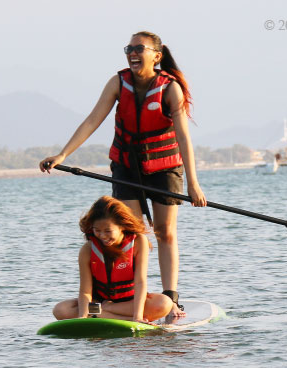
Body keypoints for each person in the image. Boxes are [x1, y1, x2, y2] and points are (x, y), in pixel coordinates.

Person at [40, 31, 206, 317]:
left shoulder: (170, 88)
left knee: (165, 232)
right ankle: (124, 304)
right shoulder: (118, 82)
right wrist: (62, 155)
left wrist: (193, 183)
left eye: (139, 48)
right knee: (130, 233)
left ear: (157, 54)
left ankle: (171, 299)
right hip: (126, 166)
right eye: (128, 48)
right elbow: (93, 119)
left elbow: (183, 137)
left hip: (164, 167)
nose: (132, 52)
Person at [52, 196, 172, 322]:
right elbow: (85, 291)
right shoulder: (87, 250)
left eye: (108, 231)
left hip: (128, 303)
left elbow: (140, 282)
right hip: (98, 302)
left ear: (122, 226)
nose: (102, 236)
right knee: (61, 310)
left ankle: (100, 315)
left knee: (164, 304)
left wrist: (138, 316)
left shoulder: (139, 242)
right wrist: (82, 317)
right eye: (97, 230)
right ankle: (113, 318)